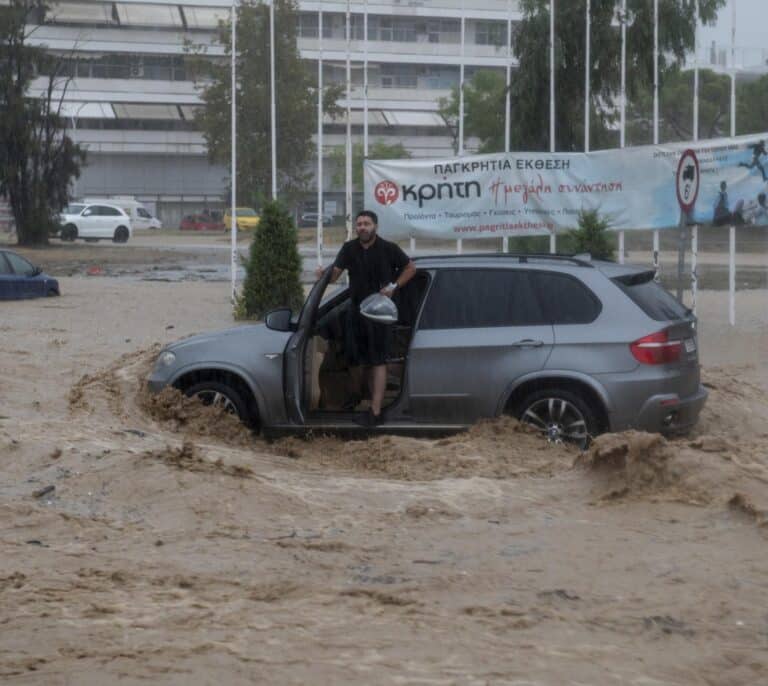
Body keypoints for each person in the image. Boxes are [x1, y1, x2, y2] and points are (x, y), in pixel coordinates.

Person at [317, 210, 416, 425]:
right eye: (359, 224)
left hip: (380, 314)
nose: (362, 227)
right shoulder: (349, 249)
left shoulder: (388, 249)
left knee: (378, 361)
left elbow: (410, 268)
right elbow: (335, 274)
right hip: (356, 313)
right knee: (359, 361)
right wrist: (323, 274)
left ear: (375, 227)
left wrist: (393, 286)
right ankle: (362, 402)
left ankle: (376, 412)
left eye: (367, 223)